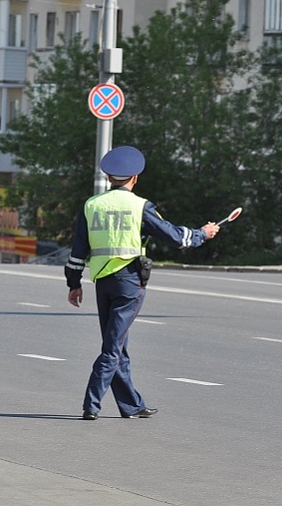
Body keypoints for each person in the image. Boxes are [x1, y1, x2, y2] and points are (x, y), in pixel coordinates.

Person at [65, 145, 220, 420]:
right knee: (113, 347)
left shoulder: (92, 205)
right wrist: (202, 234)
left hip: (102, 282)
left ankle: (131, 405)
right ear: (135, 177)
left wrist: (73, 283)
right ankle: (91, 403)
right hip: (129, 283)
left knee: (118, 343)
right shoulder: (140, 206)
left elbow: (78, 251)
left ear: (109, 177)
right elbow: (174, 236)